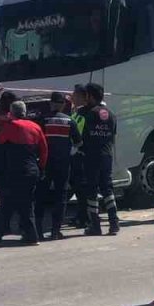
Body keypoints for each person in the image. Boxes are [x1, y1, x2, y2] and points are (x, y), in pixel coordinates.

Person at [0, 100, 47, 245]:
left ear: (11, 112)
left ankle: (28, 236)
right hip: (32, 170)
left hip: (16, 171)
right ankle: (20, 235)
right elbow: (44, 150)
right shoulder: (36, 127)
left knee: (9, 202)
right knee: (22, 203)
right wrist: (41, 168)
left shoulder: (12, 126)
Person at [35, 90, 81, 240]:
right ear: (62, 105)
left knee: (40, 195)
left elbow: (36, 141)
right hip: (63, 163)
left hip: (45, 162)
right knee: (60, 196)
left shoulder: (43, 120)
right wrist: (70, 152)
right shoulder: (69, 121)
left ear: (50, 104)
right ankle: (56, 230)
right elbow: (78, 142)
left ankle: (38, 229)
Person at [79, 82, 119, 236]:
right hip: (106, 155)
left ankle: (95, 224)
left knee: (92, 190)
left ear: (90, 96)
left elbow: (79, 135)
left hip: (91, 155)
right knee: (107, 188)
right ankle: (114, 222)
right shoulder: (112, 115)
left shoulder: (87, 114)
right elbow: (113, 138)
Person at [69, 83, 89, 228]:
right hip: (79, 155)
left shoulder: (82, 115)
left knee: (81, 188)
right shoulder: (77, 113)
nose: (72, 97)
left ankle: (84, 217)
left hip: (80, 155)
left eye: (75, 95)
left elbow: (77, 136)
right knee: (79, 188)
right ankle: (82, 216)